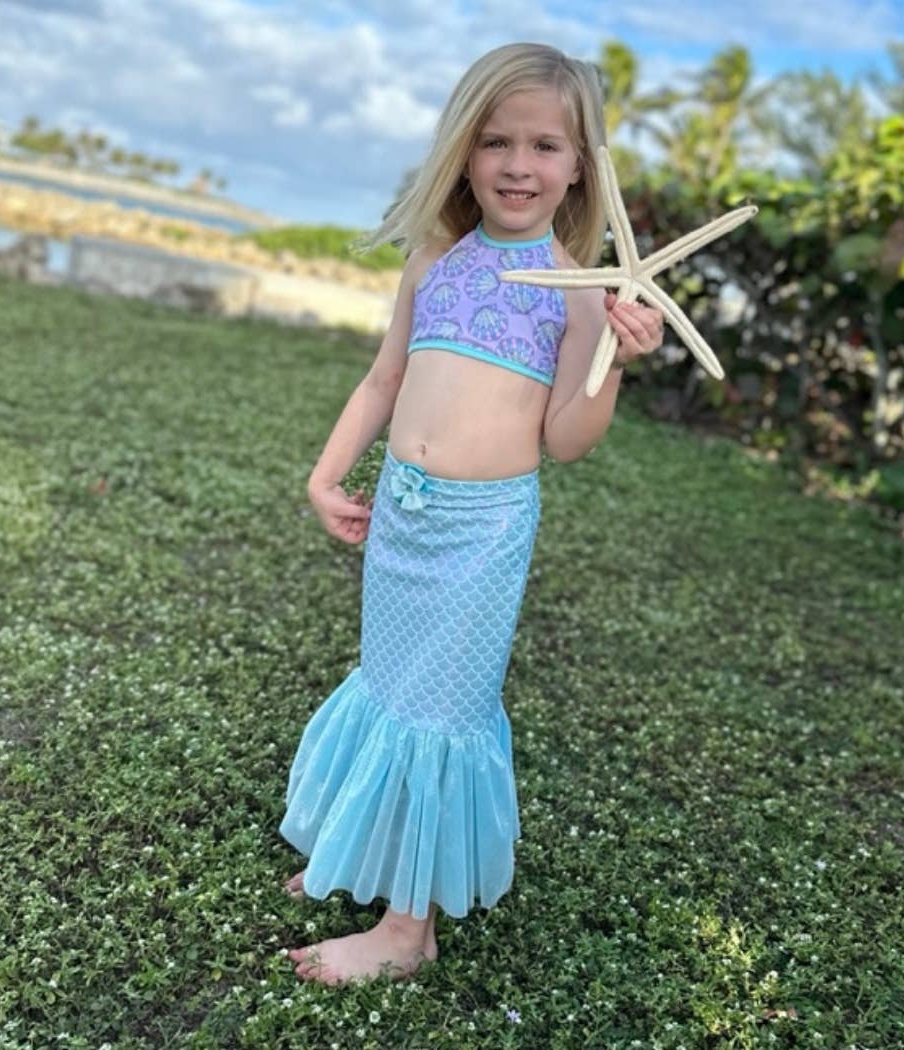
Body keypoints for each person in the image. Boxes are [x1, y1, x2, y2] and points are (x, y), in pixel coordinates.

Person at [278, 41, 664, 987]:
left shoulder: (579, 296)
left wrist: (616, 363)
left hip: (483, 532)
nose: (518, 165)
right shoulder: (434, 261)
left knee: (442, 710)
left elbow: (566, 439)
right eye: (497, 141)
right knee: (391, 686)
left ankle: (407, 934)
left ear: (581, 166)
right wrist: (327, 477)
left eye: (544, 146)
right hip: (403, 518)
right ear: (464, 150)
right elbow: (383, 381)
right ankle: (367, 852)